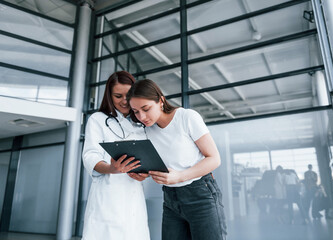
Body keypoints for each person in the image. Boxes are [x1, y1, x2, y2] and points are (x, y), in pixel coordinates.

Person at [126, 79, 227, 240]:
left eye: (146, 109)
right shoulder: (147, 131)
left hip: (200, 196)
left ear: (160, 101)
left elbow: (214, 159)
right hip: (170, 199)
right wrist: (140, 173)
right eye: (136, 111)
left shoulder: (187, 117)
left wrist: (179, 176)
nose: (142, 116)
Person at [82, 71, 150, 240]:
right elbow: (90, 155)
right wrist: (111, 168)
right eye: (118, 96)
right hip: (107, 196)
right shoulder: (97, 119)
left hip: (134, 197)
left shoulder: (142, 123)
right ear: (109, 96)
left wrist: (145, 173)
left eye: (129, 95)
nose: (124, 101)